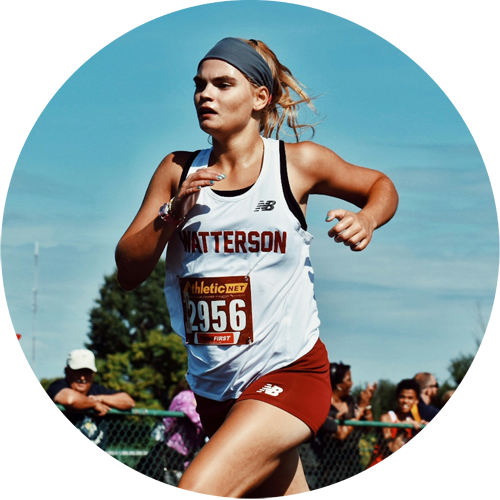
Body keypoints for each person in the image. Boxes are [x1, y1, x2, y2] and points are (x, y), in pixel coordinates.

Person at [115, 37, 398, 498]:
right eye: (200, 85)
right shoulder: (177, 170)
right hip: (214, 385)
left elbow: (380, 186)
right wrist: (170, 215)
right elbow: (128, 272)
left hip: (288, 372)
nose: (205, 94)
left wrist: (366, 219)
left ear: (260, 97)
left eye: (223, 84)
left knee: (196, 492)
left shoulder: (297, 163)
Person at [46, 348, 135, 416]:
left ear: (93, 374)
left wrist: (101, 398)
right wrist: (94, 404)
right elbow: (69, 399)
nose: (82, 377)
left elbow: (129, 402)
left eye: (87, 372)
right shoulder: (58, 386)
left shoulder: (97, 390)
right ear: (67, 371)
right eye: (78, 371)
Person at [369, 379, 424, 469]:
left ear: (416, 400)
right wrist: (403, 427)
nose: (405, 401)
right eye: (402, 397)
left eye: (410, 398)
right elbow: (392, 448)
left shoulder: (411, 421)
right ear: (397, 398)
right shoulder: (387, 418)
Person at [319, 362, 376, 441]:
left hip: (353, 452)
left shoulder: (350, 402)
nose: (352, 383)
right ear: (339, 385)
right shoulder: (324, 407)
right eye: (349, 380)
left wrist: (366, 403)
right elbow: (341, 435)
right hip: (331, 452)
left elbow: (369, 428)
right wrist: (360, 409)